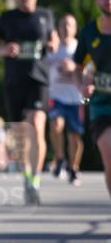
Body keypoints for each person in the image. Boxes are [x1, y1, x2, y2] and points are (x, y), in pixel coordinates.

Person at [0, 0, 59, 205]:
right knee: (20, 134)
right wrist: (5, 50)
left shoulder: (45, 15)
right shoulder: (6, 18)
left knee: (37, 127)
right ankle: (27, 174)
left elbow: (55, 41)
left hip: (39, 79)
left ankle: (36, 179)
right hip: (14, 81)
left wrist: (52, 45)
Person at [64, 0, 111, 198]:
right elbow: (76, 66)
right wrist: (81, 84)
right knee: (109, 153)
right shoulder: (88, 33)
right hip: (101, 106)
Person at [47, 14, 84, 185]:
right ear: (58, 28)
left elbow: (91, 73)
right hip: (56, 97)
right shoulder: (53, 48)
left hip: (77, 99)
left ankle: (73, 168)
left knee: (75, 136)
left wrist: (74, 68)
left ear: (75, 29)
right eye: (63, 24)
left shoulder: (80, 48)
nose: (66, 28)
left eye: (70, 25)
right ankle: (60, 158)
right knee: (56, 125)